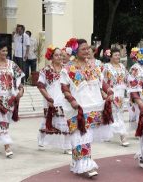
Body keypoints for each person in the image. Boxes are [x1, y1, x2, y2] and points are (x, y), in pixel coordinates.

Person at [60, 38, 113, 177]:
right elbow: (64, 87)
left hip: (93, 105)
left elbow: (102, 83)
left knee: (85, 136)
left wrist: (109, 91)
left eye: (88, 48)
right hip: (77, 107)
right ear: (75, 51)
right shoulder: (68, 68)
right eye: (83, 49)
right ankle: (85, 166)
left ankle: (78, 163)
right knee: (80, 135)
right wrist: (71, 100)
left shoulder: (94, 65)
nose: (87, 51)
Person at [37, 45, 71, 155]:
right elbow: (40, 85)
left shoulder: (67, 70)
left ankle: (67, 146)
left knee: (66, 122)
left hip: (64, 99)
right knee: (48, 121)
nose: (59, 57)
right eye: (56, 55)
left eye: (61, 55)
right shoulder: (46, 70)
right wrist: (48, 98)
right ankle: (42, 139)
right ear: (51, 57)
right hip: (51, 98)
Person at [102, 47, 129, 146]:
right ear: (110, 57)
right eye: (116, 55)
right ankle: (121, 136)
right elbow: (102, 80)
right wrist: (104, 93)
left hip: (121, 93)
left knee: (119, 114)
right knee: (113, 113)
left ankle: (116, 134)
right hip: (111, 92)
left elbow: (127, 79)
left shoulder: (122, 66)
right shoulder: (106, 67)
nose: (118, 57)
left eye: (118, 55)